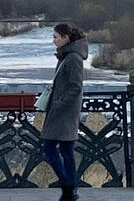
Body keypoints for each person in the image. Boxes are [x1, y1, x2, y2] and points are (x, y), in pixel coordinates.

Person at [42, 23, 88, 201]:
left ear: (65, 38)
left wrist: (60, 103)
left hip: (64, 112)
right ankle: (71, 189)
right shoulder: (67, 56)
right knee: (66, 149)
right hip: (64, 110)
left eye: (55, 37)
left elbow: (76, 87)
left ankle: (67, 185)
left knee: (49, 147)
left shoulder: (73, 58)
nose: (53, 41)